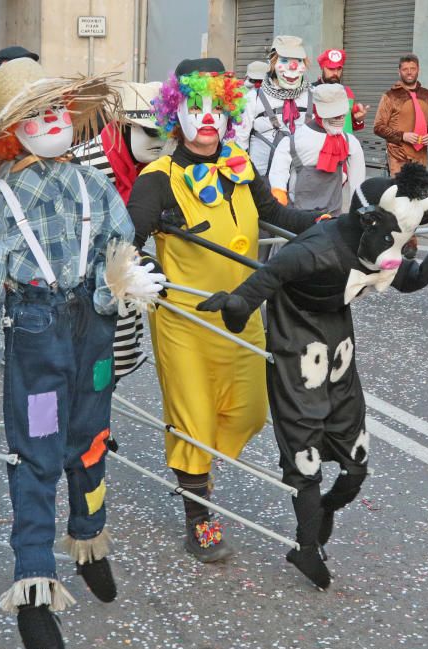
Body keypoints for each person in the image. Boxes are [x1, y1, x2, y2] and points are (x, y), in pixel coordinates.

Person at [196, 164, 428, 588]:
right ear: (370, 222)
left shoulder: (381, 247)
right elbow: (271, 275)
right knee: (305, 459)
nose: (399, 248)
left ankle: (324, 512)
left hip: (338, 349)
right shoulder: (314, 249)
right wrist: (239, 304)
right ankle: (306, 546)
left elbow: (408, 280)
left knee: (355, 466)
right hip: (297, 348)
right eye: (395, 237)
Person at [0, 56, 151, 649]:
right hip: (34, 330)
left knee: (90, 439)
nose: (53, 118)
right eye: (36, 112)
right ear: (12, 129)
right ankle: (34, 583)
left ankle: (89, 541)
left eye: (58, 107)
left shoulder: (95, 184)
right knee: (35, 454)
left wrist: (120, 285)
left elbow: (121, 246)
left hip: (93, 326)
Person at [126, 57, 321, 563]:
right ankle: (198, 509)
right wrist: (141, 267)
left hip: (242, 314)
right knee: (192, 421)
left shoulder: (239, 160)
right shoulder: (158, 178)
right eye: (195, 106)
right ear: (177, 114)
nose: (207, 117)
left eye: (217, 106)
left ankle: (198, 472)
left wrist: (323, 225)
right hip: (185, 322)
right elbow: (126, 241)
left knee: (250, 412)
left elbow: (275, 214)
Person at [72, 81, 165, 381]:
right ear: (123, 127)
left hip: (120, 287)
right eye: (151, 131)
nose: (160, 141)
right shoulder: (86, 166)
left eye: (167, 132)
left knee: (106, 375)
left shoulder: (143, 165)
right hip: (85, 295)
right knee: (88, 374)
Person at [268, 83, 365, 214]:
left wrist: (359, 212)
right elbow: (278, 174)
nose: (339, 118)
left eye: (342, 114)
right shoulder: (292, 142)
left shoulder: (349, 142)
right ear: (316, 109)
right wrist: (279, 192)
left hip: (333, 220)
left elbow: (358, 186)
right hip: (298, 218)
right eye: (333, 114)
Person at [234, 35, 311, 177]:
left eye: (298, 61)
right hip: (263, 183)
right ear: (272, 63)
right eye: (284, 60)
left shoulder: (313, 96)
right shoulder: (254, 97)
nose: (292, 67)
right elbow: (240, 140)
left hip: (302, 182)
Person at [373, 54, 428, 175]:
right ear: (399, 72)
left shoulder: (427, 95)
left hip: (421, 157)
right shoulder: (390, 96)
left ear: (418, 70)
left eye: (412, 69)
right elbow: (378, 127)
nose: (409, 72)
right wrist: (403, 136)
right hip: (398, 157)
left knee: (418, 192)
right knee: (399, 192)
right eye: (405, 69)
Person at [313, 49, 367, 133]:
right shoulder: (311, 91)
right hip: (319, 144)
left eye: (339, 69)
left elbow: (349, 126)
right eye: (331, 69)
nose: (335, 73)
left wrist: (358, 119)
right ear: (322, 68)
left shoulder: (347, 92)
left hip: (343, 144)